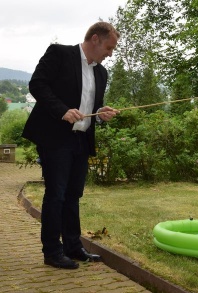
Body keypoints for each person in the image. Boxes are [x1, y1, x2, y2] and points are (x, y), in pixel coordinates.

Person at [22, 22, 120, 269]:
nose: (110, 53)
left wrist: (100, 113)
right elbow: (37, 85)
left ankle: (73, 248)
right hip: (55, 137)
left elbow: (91, 106)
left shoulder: (101, 72)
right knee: (56, 195)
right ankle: (52, 252)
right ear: (95, 39)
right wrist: (62, 111)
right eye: (109, 47)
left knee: (73, 195)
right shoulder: (59, 54)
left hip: (81, 139)